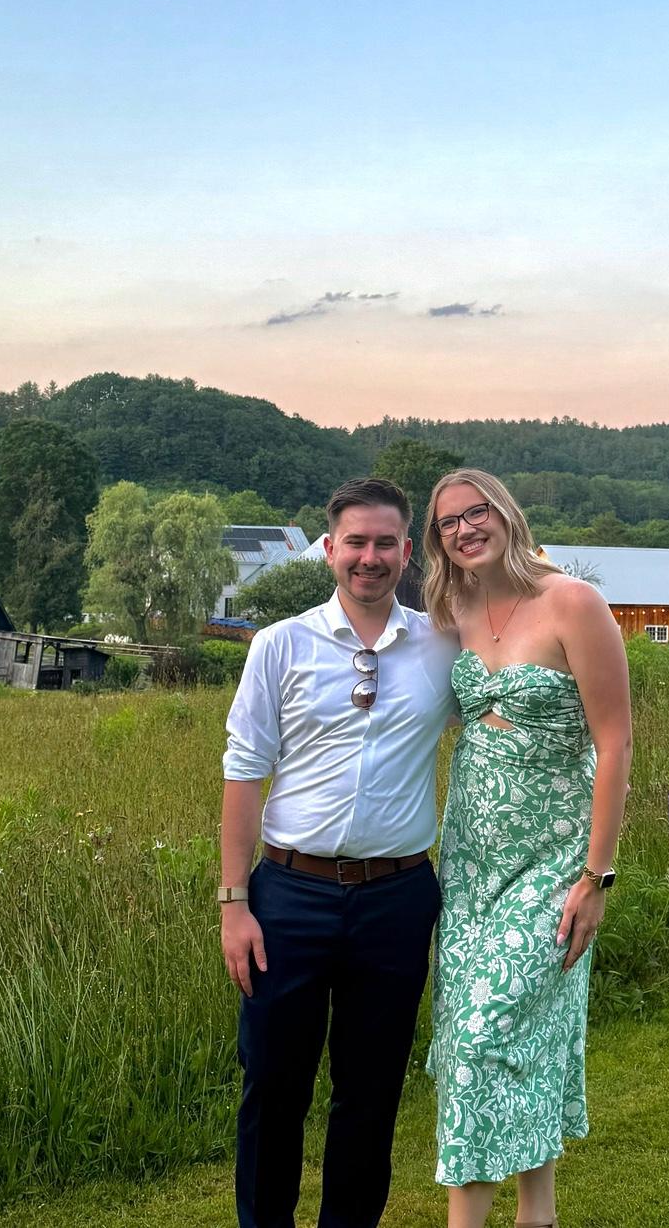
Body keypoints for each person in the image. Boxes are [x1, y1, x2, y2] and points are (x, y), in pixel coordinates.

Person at [219, 476, 459, 1228]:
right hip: (289, 896)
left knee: (371, 1091)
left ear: (408, 551)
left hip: (397, 897)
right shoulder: (280, 645)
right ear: (329, 549)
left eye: (386, 542)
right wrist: (234, 904)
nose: (370, 557)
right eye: (356, 542)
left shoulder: (442, 645)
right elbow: (243, 771)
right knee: (273, 1086)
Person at [422, 469, 633, 1228]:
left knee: (483, 1036)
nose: (465, 529)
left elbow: (615, 742)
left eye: (477, 512)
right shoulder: (453, 609)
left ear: (507, 514)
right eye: (448, 522)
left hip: (553, 862)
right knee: (485, 1035)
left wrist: (596, 876)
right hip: (469, 865)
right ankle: (537, 1213)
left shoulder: (573, 602)